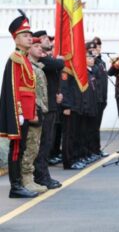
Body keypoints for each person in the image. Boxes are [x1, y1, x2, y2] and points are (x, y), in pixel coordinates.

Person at [0, 11, 38, 198]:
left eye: (30, 35)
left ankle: (20, 183)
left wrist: (33, 111)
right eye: (25, 35)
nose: (30, 38)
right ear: (16, 38)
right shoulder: (15, 59)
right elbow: (14, 88)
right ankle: (15, 186)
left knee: (22, 149)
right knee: (16, 149)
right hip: (19, 113)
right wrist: (19, 113)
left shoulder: (25, 59)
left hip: (28, 112)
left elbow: (30, 88)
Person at [32, 30, 64, 189]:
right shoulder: (41, 59)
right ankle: (41, 176)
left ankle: (43, 175)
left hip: (50, 105)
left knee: (47, 142)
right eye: (38, 42)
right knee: (43, 144)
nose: (45, 42)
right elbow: (58, 64)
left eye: (44, 40)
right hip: (44, 107)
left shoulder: (46, 57)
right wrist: (59, 59)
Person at [22, 37, 49, 194]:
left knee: (35, 146)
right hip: (31, 112)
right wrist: (33, 112)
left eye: (41, 46)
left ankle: (29, 177)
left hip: (39, 111)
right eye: (36, 46)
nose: (40, 49)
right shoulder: (27, 66)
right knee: (30, 146)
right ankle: (26, 179)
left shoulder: (38, 67)